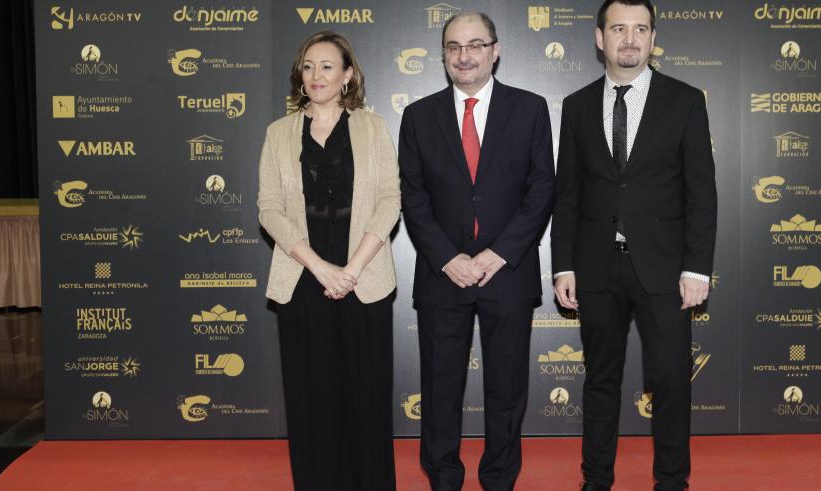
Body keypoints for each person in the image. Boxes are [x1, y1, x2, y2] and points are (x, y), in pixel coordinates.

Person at [550, 1, 717, 489]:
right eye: (619, 28)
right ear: (600, 38)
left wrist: (698, 268)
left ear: (652, 37)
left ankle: (671, 482)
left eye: (640, 29)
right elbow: (568, 194)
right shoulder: (577, 105)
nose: (630, 38)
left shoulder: (685, 100)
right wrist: (563, 266)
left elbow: (701, 191)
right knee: (600, 382)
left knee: (668, 381)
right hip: (596, 267)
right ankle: (596, 479)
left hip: (665, 269)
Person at [398, 12, 555, 491]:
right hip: (442, 274)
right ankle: (443, 477)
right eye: (453, 47)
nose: (463, 56)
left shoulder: (529, 108)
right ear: (443, 54)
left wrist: (497, 254)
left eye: (474, 45)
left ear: (495, 49)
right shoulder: (418, 115)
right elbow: (413, 196)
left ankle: (499, 478)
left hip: (507, 273)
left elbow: (541, 189)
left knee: (506, 390)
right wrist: (448, 258)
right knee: (441, 387)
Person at [257, 31, 401, 490]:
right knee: (310, 397)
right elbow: (269, 209)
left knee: (365, 395)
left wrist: (352, 269)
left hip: (365, 275)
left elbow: (389, 199)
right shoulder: (278, 133)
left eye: (326, 66)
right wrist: (319, 267)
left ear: (347, 75)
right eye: (307, 66)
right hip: (302, 278)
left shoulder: (372, 127)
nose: (315, 75)